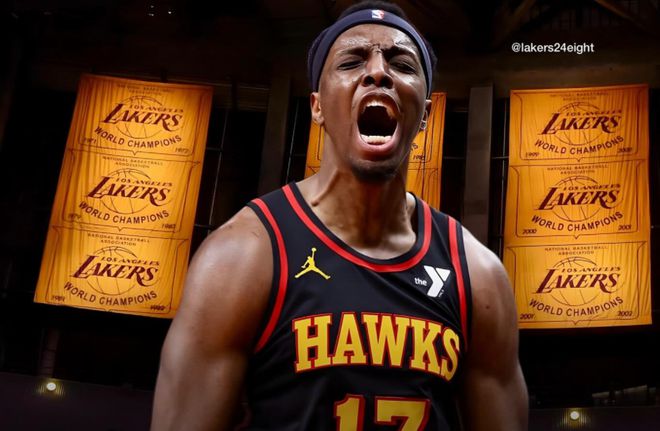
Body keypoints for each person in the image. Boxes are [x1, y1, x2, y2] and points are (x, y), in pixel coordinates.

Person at [151, 1, 528, 430]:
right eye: (351, 61)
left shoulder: (477, 274)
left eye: (402, 64)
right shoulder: (241, 257)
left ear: (424, 113)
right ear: (316, 106)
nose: (378, 72)